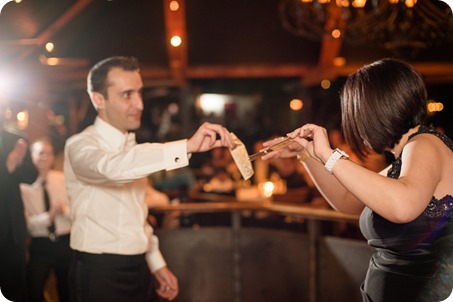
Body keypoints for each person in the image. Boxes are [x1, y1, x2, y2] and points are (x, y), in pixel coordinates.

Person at [261, 58, 453, 302]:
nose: (354, 126)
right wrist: (306, 154)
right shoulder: (404, 158)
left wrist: (328, 155)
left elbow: (402, 206)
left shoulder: (424, 144)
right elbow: (348, 200)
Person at [63, 56, 234, 302]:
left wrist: (157, 264)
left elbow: (137, 214)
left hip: (139, 268)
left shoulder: (134, 149)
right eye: (127, 95)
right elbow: (112, 169)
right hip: (99, 272)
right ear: (98, 99)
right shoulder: (79, 146)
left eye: (140, 93)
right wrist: (186, 146)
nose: (139, 104)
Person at [20, 138, 72, 302]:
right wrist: (48, 217)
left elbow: (77, 213)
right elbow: (27, 224)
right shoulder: (24, 186)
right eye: (41, 153)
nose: (45, 157)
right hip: (40, 245)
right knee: (33, 289)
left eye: (49, 153)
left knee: (68, 291)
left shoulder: (63, 180)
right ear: (32, 156)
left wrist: (63, 210)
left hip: (66, 243)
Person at [0, 124, 38, 302]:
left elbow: (31, 176)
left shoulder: (16, 139)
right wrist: (7, 166)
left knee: (14, 289)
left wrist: (19, 159)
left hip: (12, 232)